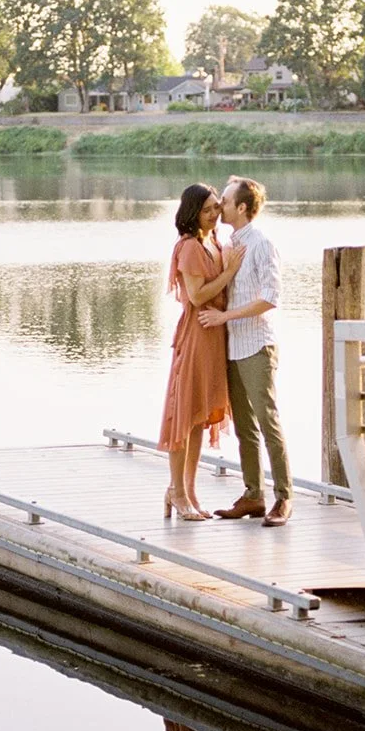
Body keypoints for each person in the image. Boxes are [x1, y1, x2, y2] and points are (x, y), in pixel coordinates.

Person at [198, 175, 294, 526]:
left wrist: (225, 316)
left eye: (224, 201)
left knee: (267, 421)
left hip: (256, 345)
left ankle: (283, 498)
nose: (219, 206)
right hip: (233, 347)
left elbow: (270, 298)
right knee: (244, 427)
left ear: (241, 207)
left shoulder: (262, 244)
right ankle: (254, 495)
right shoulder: (229, 244)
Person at [157, 184, 245, 521]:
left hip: (215, 335)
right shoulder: (190, 247)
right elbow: (196, 296)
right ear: (193, 212)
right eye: (208, 209)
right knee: (184, 416)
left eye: (216, 208)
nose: (215, 214)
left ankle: (187, 491)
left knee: (197, 418)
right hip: (196, 335)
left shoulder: (215, 242)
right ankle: (177, 492)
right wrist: (229, 272)